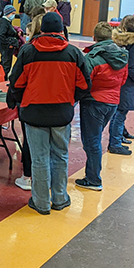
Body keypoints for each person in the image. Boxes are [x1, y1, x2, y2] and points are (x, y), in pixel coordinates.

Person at [8, 12, 90, 215]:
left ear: (41, 29)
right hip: (62, 112)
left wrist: (21, 99)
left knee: (39, 159)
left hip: (34, 113)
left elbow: (16, 84)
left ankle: (41, 201)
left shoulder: (27, 52)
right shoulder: (73, 53)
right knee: (61, 155)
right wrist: (70, 98)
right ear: (62, 30)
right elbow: (85, 84)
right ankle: (60, 198)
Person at [75, 22, 128, 192]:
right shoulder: (122, 56)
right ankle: (92, 176)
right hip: (112, 102)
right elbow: (123, 80)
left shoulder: (92, 58)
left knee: (92, 142)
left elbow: (84, 82)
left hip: (94, 102)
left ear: (94, 38)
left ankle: (93, 179)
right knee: (95, 139)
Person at [108, 15, 134, 156]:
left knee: (118, 111)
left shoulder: (118, 40)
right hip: (128, 82)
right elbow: (132, 66)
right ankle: (115, 143)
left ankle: (120, 135)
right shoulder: (132, 44)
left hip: (118, 80)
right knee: (121, 113)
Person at [0, 5, 20, 78]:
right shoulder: (4, 22)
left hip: (6, 46)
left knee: (5, 63)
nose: (14, 15)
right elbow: (1, 36)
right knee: (6, 64)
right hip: (6, 47)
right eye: (12, 13)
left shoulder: (7, 21)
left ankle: (2, 77)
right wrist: (9, 43)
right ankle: (3, 78)